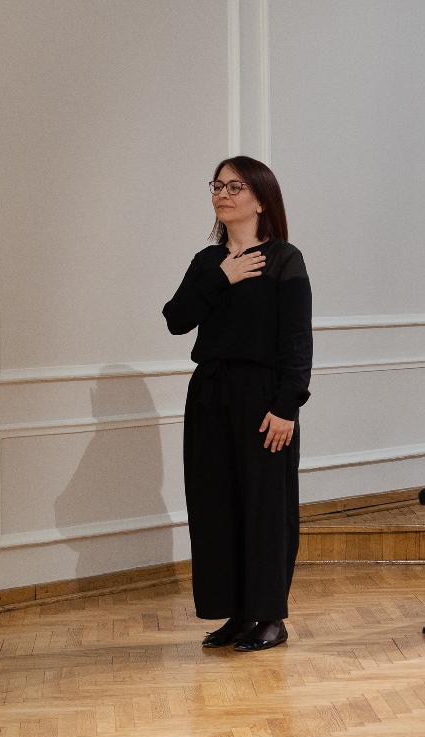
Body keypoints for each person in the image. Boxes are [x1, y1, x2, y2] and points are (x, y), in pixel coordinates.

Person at [163, 156, 313, 652]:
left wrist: (288, 406)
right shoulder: (208, 262)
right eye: (217, 186)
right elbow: (176, 319)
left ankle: (269, 616)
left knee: (265, 507)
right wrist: (222, 277)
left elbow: (297, 341)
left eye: (235, 187)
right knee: (215, 505)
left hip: (263, 399)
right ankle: (236, 612)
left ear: (261, 199)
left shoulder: (284, 258)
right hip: (209, 395)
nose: (222, 195)